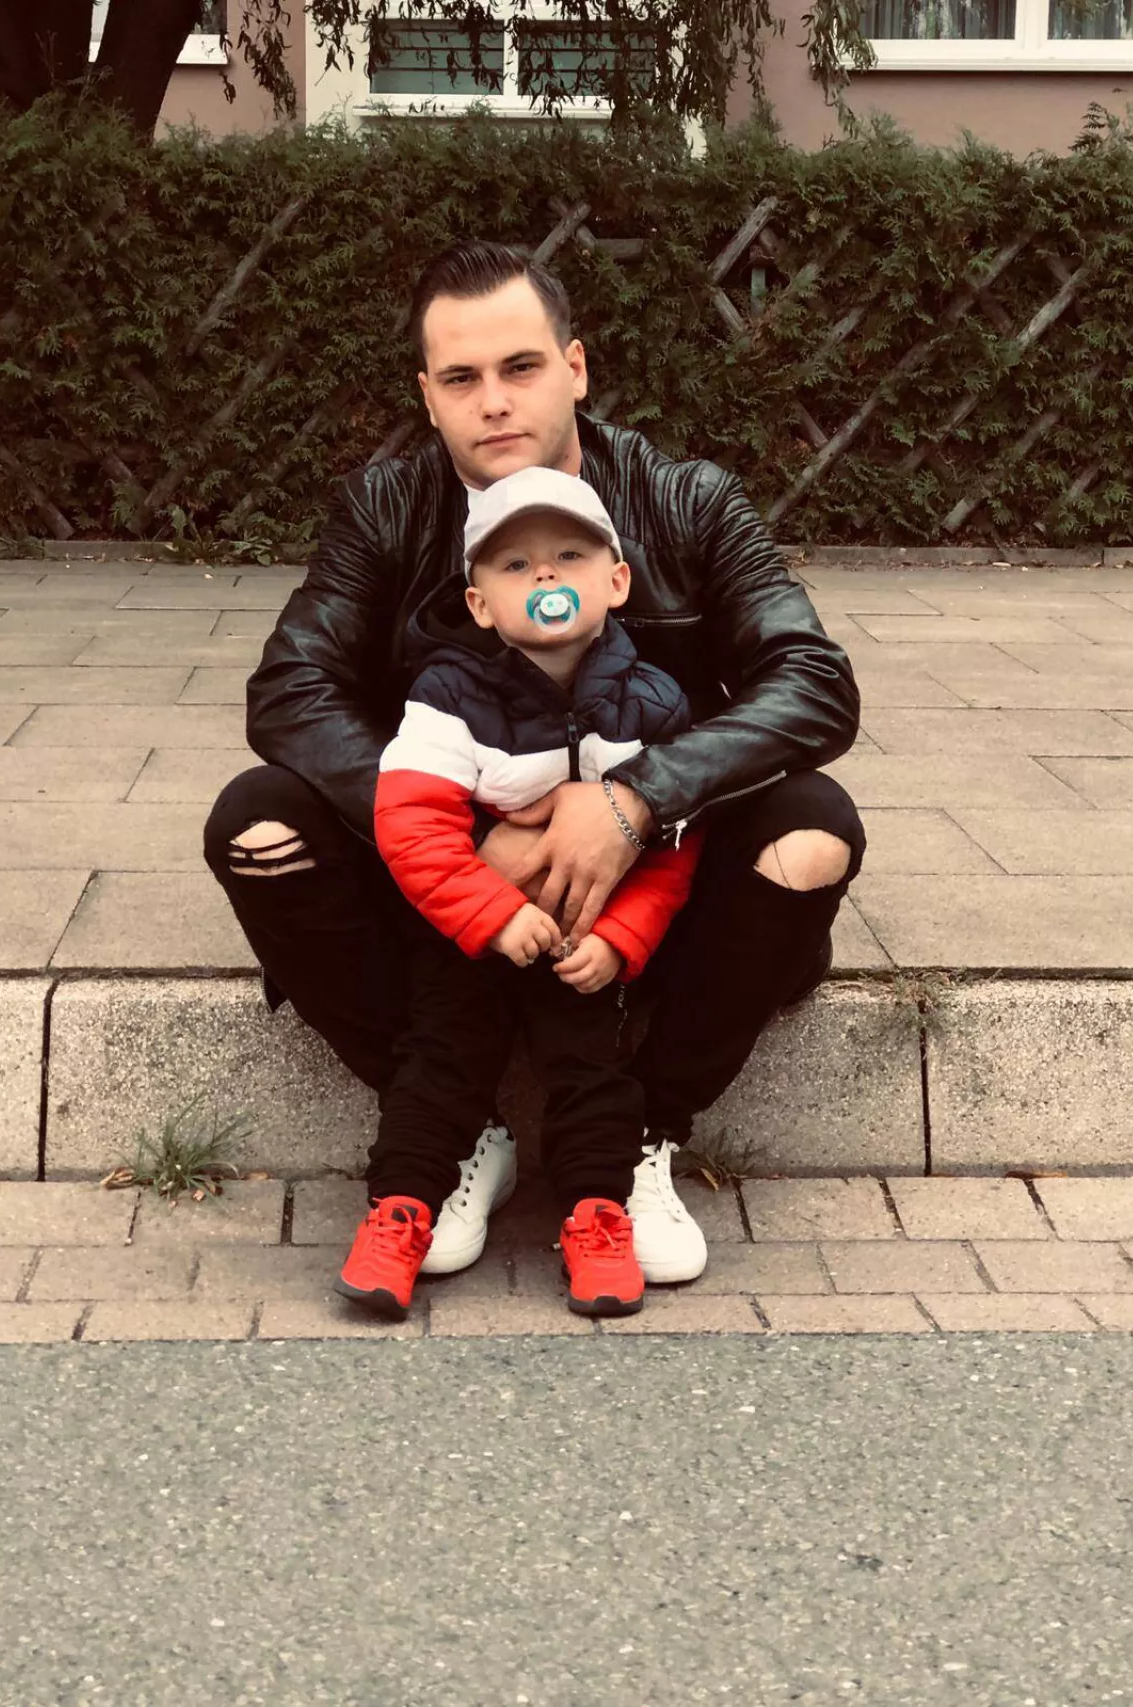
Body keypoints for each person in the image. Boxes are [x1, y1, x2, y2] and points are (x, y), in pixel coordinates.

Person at [203, 238, 865, 1291]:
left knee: (813, 829)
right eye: (460, 377)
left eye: (520, 367)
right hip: (440, 894)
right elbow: (290, 689)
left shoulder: (686, 500)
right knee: (257, 822)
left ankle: (641, 1135)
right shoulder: (386, 508)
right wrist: (463, 841)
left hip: (649, 881)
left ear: (575, 367)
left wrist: (635, 801)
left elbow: (813, 680)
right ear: (428, 397)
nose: (494, 402)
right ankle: (458, 1127)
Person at [337, 466, 702, 1318]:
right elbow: (410, 822)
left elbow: (674, 848)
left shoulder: (655, 705)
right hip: (469, 930)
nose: (544, 574)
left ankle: (598, 1216)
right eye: (514, 564)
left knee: (594, 1070)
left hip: (582, 936)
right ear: (479, 604)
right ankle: (400, 1212)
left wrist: (620, 938)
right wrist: (492, 914)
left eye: (569, 555)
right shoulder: (449, 696)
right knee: (438, 1062)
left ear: (617, 581)